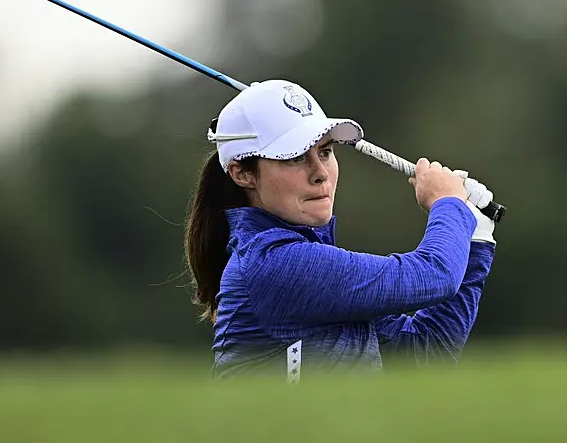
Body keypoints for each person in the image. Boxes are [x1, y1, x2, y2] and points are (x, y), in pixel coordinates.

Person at [184, 79, 497, 381]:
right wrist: (449, 204)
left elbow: (425, 351)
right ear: (242, 174)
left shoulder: (313, 271)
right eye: (294, 157)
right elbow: (436, 274)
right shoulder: (273, 264)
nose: (320, 173)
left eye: (325, 152)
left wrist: (476, 240)